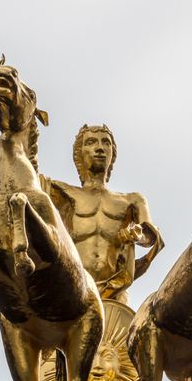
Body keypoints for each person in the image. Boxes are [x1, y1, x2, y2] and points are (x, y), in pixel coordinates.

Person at [43, 124, 163, 304]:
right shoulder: (61, 192)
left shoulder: (132, 200)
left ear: (112, 154)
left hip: (114, 292)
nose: (99, 147)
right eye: (91, 142)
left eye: (105, 143)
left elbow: (151, 236)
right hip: (74, 289)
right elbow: (25, 183)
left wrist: (137, 234)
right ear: (79, 154)